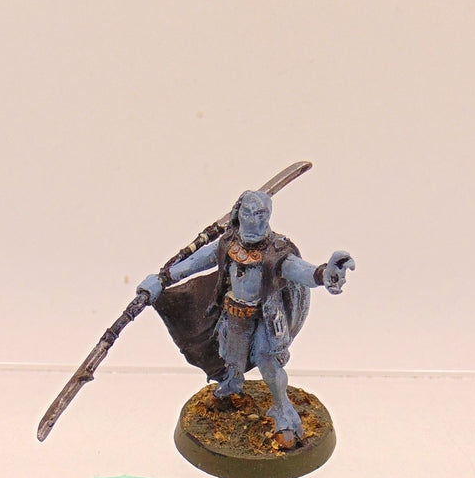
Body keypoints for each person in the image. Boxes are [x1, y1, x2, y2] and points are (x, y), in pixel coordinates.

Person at [138, 189, 353, 448]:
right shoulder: (228, 244)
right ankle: (232, 386)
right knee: (231, 356)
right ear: (239, 214)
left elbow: (301, 271)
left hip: (266, 319)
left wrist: (324, 274)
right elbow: (195, 261)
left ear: (268, 216)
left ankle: (283, 412)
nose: (253, 220)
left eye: (260, 214)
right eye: (248, 214)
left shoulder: (277, 251)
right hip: (234, 314)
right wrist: (163, 279)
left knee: (268, 361)